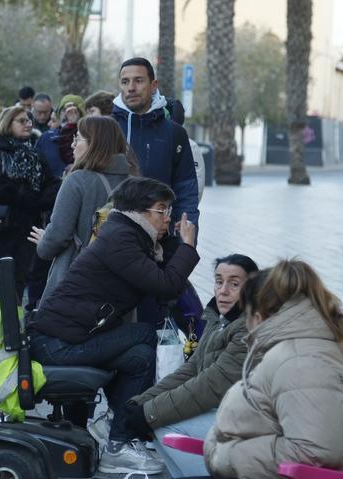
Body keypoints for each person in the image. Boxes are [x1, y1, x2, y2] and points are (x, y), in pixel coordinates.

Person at [28, 176, 200, 475]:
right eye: (162, 210)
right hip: (56, 344)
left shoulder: (130, 235)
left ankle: (117, 436)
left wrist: (174, 243)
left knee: (140, 356)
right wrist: (188, 245)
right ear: (139, 211)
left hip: (71, 337)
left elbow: (166, 282)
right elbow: (165, 284)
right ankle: (116, 434)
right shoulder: (121, 239)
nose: (168, 218)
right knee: (144, 334)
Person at [204, 259, 343, 478]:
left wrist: (229, 456)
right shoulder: (299, 352)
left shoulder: (302, 363)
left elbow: (313, 452)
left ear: (257, 315)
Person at [112, 255, 262, 478]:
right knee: (157, 420)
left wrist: (149, 413)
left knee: (165, 425)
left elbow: (210, 385)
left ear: (252, 288)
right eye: (219, 281)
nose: (223, 290)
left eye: (234, 284)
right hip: (223, 410)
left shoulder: (246, 328)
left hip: (248, 421)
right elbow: (190, 370)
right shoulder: (219, 319)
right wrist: (140, 402)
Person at [29, 116, 136, 302]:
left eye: (77, 138)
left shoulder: (77, 180)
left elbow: (58, 237)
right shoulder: (134, 182)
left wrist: (44, 242)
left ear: (94, 144)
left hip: (76, 285)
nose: (72, 145)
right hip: (122, 285)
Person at [113, 57, 199, 229]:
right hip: (113, 235)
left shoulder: (175, 133)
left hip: (161, 238)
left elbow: (186, 189)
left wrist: (185, 236)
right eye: (125, 82)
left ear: (153, 86)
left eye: (138, 81)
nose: (131, 88)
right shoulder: (106, 129)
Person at [0, 106, 59, 300]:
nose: (28, 124)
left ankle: (15, 325)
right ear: (7, 124)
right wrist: (21, 195)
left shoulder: (35, 153)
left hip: (28, 227)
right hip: (2, 227)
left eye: (28, 120)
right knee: (0, 279)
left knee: (21, 279)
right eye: (21, 121)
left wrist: (37, 201)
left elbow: (51, 184)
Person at [34, 94, 85, 177]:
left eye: (75, 110)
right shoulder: (46, 138)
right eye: (64, 110)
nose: (69, 113)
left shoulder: (89, 139)